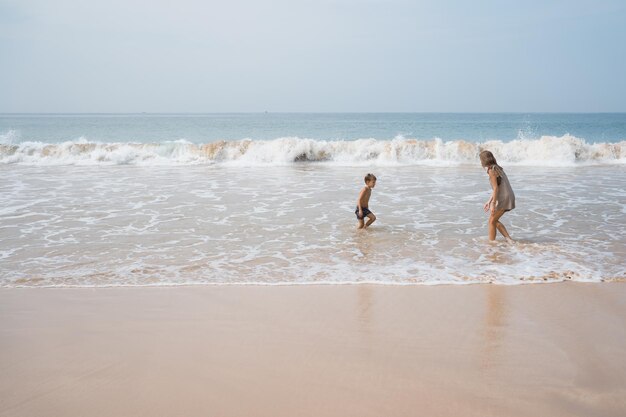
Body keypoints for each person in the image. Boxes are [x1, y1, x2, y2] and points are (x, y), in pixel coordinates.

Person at [479, 150, 515, 242]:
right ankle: (509, 240)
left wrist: (493, 204)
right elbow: (497, 187)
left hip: (504, 197)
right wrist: (489, 201)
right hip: (507, 195)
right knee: (493, 220)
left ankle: (491, 244)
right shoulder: (497, 167)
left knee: (491, 221)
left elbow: (495, 189)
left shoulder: (491, 170)